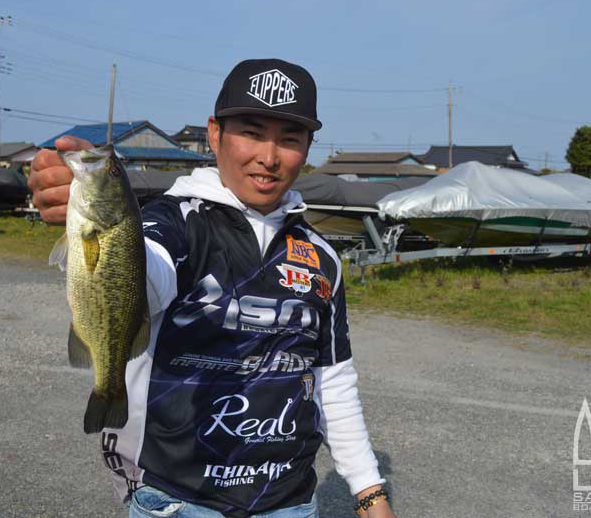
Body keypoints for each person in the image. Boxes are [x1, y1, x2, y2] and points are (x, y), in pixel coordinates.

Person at [29, 59, 396, 518]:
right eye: (252, 133)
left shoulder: (321, 256)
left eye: (289, 139)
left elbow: (333, 380)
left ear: (307, 148)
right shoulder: (171, 223)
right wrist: (87, 201)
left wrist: (370, 493)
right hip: (178, 500)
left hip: (290, 503)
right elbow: (145, 276)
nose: (269, 156)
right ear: (215, 134)